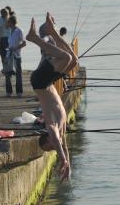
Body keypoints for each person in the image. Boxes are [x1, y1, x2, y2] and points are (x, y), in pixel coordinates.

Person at [26, 13, 77, 181]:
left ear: (47, 139)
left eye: (50, 147)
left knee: (66, 57)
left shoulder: (51, 126)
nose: (54, 148)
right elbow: (63, 145)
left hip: (40, 82)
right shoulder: (60, 132)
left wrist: (61, 158)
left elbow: (56, 141)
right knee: (73, 60)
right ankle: (52, 32)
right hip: (47, 83)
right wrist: (67, 164)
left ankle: (35, 37)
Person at [5, 16, 26, 97]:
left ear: (11, 22)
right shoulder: (9, 31)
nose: (7, 23)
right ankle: (9, 92)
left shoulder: (19, 31)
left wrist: (15, 48)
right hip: (9, 54)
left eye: (8, 22)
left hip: (17, 55)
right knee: (7, 73)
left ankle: (19, 92)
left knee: (18, 74)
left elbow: (24, 43)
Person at [0, 8, 10, 73]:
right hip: (8, 38)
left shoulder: (1, 20)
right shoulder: (9, 20)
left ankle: (5, 68)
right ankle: (7, 68)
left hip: (3, 38)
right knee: (7, 54)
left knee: (3, 54)